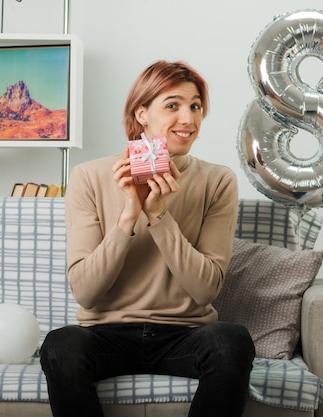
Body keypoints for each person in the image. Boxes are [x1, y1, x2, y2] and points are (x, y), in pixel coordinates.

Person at [40, 60, 255, 417]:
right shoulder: (89, 177)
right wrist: (129, 216)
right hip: (105, 334)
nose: (188, 119)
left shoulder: (218, 181)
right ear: (142, 114)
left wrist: (158, 215)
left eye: (195, 106)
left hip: (184, 335)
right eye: (172, 105)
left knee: (231, 341)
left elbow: (206, 290)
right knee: (61, 345)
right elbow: (86, 293)